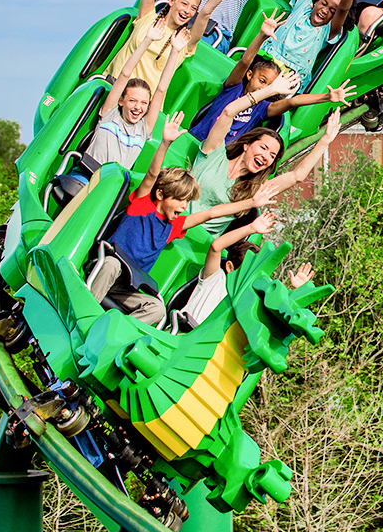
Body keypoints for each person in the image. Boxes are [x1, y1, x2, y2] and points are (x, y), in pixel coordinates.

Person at [89, 111, 279, 325]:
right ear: (161, 195)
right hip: (105, 265)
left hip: (127, 285)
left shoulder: (174, 226)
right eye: (180, 201)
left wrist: (252, 205)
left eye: (187, 202)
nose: (184, 206)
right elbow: (152, 175)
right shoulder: (142, 204)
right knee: (113, 266)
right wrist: (165, 143)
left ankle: (111, 333)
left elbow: (210, 213)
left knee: (157, 309)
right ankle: (84, 319)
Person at [189, 17, 356, 146]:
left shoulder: (261, 108)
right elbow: (245, 61)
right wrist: (262, 35)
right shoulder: (233, 89)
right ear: (249, 76)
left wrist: (327, 97)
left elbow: (293, 101)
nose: (264, 88)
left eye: (270, 86)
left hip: (218, 156)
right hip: (198, 139)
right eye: (262, 81)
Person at [188, 107, 343, 238]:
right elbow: (228, 113)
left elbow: (297, 176)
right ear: (247, 145)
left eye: (272, 156)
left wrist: (325, 140)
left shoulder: (254, 190)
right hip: (175, 219)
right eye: (263, 148)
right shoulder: (215, 153)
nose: (265, 157)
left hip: (197, 239)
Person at [180, 210, 314, 328]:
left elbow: (280, 315)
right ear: (229, 267)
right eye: (246, 272)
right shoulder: (216, 278)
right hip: (185, 329)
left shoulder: (249, 299)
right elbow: (216, 247)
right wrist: (251, 228)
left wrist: (297, 290)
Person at [87, 26, 192, 169]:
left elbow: (161, 90)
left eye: (143, 103)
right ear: (121, 101)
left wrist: (175, 51)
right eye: (132, 101)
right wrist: (147, 40)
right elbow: (125, 74)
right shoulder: (110, 114)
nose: (138, 107)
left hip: (111, 187)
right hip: (87, 174)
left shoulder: (143, 128)